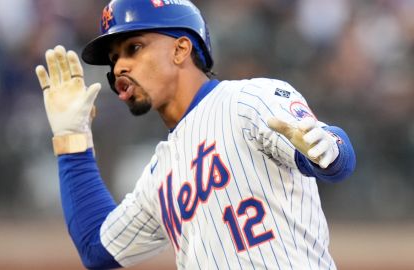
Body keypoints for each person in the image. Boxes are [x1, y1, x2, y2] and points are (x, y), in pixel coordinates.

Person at [35, 0, 356, 269]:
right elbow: (96, 247)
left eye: (133, 48)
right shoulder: (158, 175)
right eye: (114, 58)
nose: (119, 67)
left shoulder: (250, 99)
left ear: (181, 49)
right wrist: (72, 140)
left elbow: (328, 155)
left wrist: (331, 148)